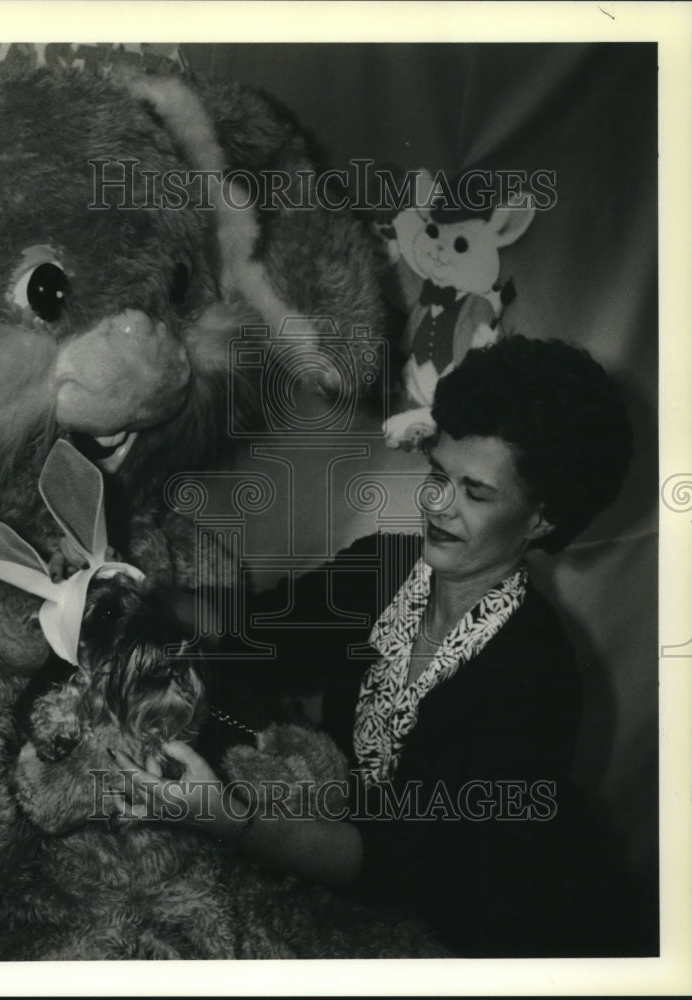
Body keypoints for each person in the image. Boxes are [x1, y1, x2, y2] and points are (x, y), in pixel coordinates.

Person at [110, 335, 638, 957]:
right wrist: (137, 590)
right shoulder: (382, 569)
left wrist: (231, 819)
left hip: (475, 937)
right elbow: (252, 632)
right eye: (438, 473)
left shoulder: (536, 675)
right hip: (345, 880)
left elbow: (416, 871)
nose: (437, 504)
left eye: (475, 492)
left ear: (543, 518)